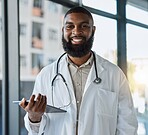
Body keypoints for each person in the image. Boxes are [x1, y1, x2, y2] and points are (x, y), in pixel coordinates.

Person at [20, 6, 138, 135]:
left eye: (84, 26)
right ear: (63, 30)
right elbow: (35, 130)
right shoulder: (46, 75)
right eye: (70, 26)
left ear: (93, 30)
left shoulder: (115, 75)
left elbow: (128, 127)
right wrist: (34, 117)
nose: (76, 31)